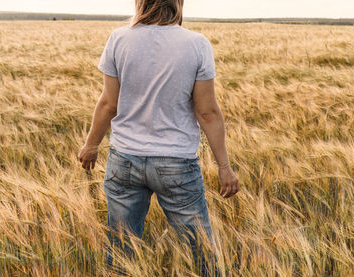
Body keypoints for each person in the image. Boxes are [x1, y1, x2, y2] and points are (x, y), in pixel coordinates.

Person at [78, 0, 239, 275]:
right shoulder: (196, 44)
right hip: (176, 163)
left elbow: (108, 104)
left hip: (124, 161)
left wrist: (91, 145)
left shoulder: (119, 39)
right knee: (200, 255)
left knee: (121, 254)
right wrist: (224, 167)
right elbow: (207, 112)